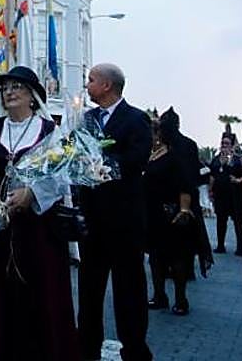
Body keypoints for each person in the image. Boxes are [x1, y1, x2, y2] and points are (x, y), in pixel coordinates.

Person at [0, 65, 78, 360]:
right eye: (5, 87)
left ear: (32, 95)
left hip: (37, 230)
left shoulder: (51, 132)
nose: (9, 92)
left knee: (39, 294)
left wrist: (32, 194)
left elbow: (61, 177)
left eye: (17, 87)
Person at [77, 62, 153, 361]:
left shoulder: (135, 119)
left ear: (107, 85)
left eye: (91, 80)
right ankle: (86, 347)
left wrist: (101, 163)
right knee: (89, 288)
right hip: (92, 220)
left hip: (124, 222)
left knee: (129, 290)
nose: (87, 85)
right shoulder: (87, 119)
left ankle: (134, 349)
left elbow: (137, 159)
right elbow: (76, 152)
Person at [144, 112, 196, 315]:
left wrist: (183, 209)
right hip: (152, 213)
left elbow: (186, 185)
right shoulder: (148, 155)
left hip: (170, 212)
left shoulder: (173, 156)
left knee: (177, 258)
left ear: (158, 134)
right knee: (155, 257)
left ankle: (181, 299)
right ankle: (159, 295)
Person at [157, 108, 213, 277]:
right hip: (171, 198)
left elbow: (190, 173)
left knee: (183, 240)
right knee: (178, 241)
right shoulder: (170, 145)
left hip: (181, 199)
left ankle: (183, 272)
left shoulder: (179, 146)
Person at [209, 135, 242, 255]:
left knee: (238, 221)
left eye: (227, 143)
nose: (224, 146)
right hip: (220, 194)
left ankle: (240, 247)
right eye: (223, 143)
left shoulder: (237, 160)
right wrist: (210, 190)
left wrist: (238, 180)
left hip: (235, 195)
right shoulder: (215, 159)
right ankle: (220, 245)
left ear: (232, 145)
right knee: (221, 220)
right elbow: (212, 175)